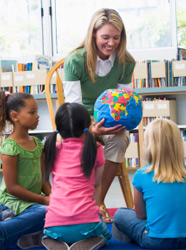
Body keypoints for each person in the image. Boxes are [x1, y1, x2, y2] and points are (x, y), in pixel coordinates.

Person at [63, 8, 136, 223]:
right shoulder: (75, 61)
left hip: (108, 117)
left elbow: (125, 102)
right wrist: (91, 129)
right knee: (77, 142)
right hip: (79, 119)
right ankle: (79, 203)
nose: (111, 43)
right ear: (93, 34)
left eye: (116, 37)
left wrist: (120, 122)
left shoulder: (126, 62)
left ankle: (96, 203)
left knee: (121, 138)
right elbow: (73, 108)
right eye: (105, 37)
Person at [112, 118, 186, 249]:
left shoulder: (142, 174)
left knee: (120, 214)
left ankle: (129, 241)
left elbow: (140, 215)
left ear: (149, 145)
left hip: (156, 240)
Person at [42, 102, 111, 250]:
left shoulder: (52, 148)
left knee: (50, 229)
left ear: (59, 129)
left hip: (54, 224)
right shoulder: (96, 149)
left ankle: (53, 239)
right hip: (86, 224)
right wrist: (97, 208)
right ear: (88, 126)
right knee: (105, 232)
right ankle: (95, 239)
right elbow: (97, 184)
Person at [0, 91, 51, 249]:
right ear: (15, 116)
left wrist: (54, 197)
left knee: (57, 210)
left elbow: (43, 180)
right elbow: (12, 188)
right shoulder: (10, 146)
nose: (37, 116)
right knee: (45, 212)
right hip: (13, 202)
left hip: (32, 202)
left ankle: (20, 234)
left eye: (36, 111)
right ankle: (5, 232)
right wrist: (43, 200)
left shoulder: (37, 143)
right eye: (32, 112)